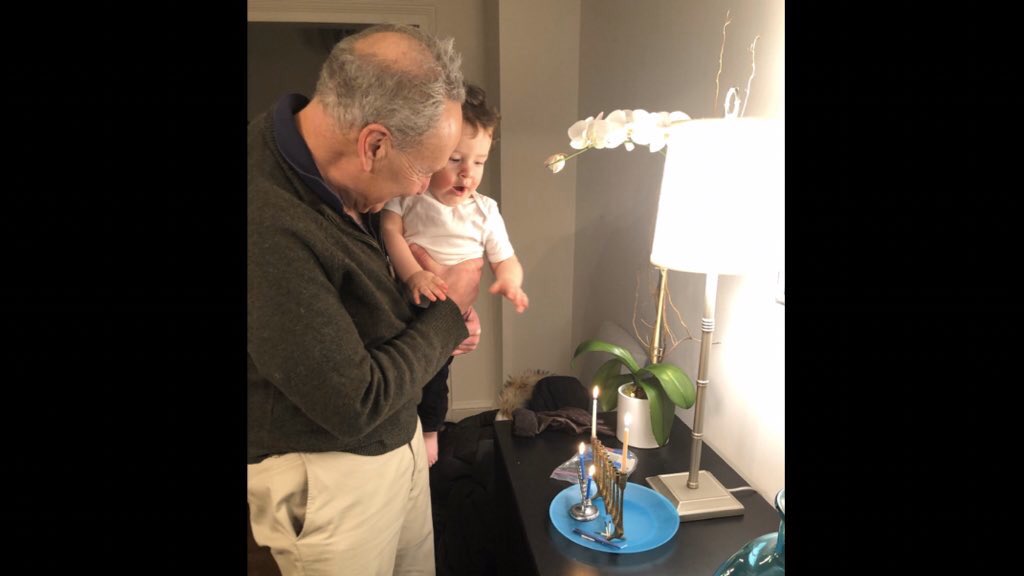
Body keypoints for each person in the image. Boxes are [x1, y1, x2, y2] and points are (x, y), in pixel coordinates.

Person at [247, 24, 484, 576]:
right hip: (331, 476)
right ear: (373, 143)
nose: (424, 187)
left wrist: (414, 287)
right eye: (424, 168)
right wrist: (448, 317)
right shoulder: (267, 221)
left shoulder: (345, 179)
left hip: (398, 440)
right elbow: (353, 401)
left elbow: (356, 303)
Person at [381, 83, 529, 466]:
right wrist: (413, 273)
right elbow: (389, 231)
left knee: (435, 375)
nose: (468, 173)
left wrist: (510, 280)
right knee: (403, 367)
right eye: (455, 159)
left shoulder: (485, 211)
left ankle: (431, 431)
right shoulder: (410, 195)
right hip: (405, 302)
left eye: (479, 162)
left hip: (453, 315)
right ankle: (406, 427)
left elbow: (506, 257)